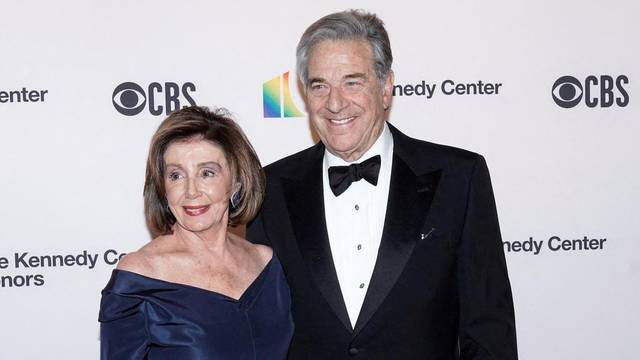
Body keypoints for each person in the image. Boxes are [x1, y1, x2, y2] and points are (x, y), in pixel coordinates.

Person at [247, 9, 517, 359]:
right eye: (319, 85)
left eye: (352, 82)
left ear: (386, 86)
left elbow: (488, 330)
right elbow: (257, 330)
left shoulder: (459, 178)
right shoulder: (268, 190)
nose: (334, 102)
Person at [99, 106, 293, 359]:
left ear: (236, 181)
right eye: (176, 175)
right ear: (162, 188)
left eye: (207, 173)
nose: (191, 191)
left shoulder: (265, 263)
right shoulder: (140, 277)